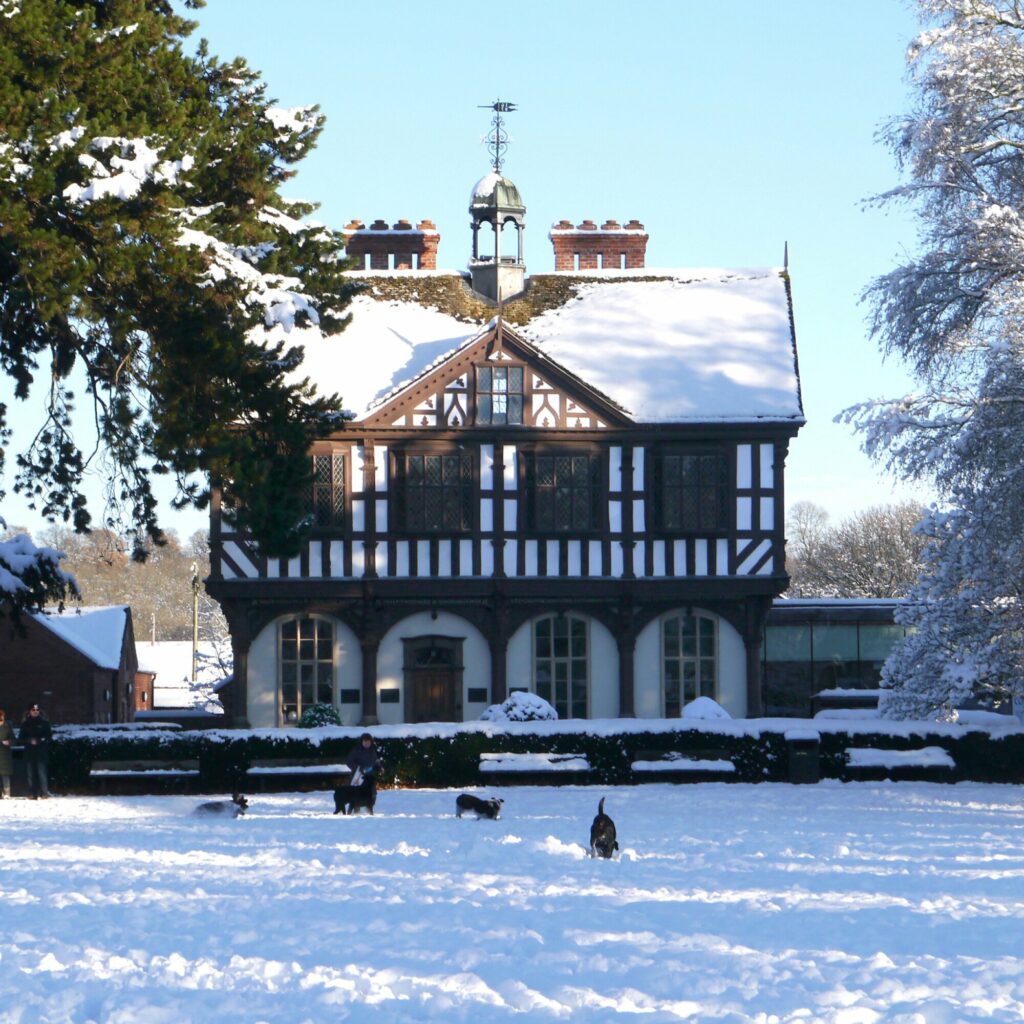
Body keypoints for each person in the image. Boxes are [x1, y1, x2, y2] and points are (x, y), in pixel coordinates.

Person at [19, 704, 52, 799]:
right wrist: (29, 740)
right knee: (30, 773)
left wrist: (39, 740)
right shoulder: (25, 724)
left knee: (42, 773)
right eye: (33, 709)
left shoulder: (44, 723)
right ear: (29, 711)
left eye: (37, 710)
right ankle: (32, 793)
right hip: (29, 752)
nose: (35, 711)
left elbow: (48, 737)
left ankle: (44, 793)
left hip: (41, 751)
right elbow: (21, 738)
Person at [0, 709, 13, 799]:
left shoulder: (7, 726)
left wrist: (9, 742)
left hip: (5, 753)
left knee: (5, 774)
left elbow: (13, 738)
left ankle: (7, 793)